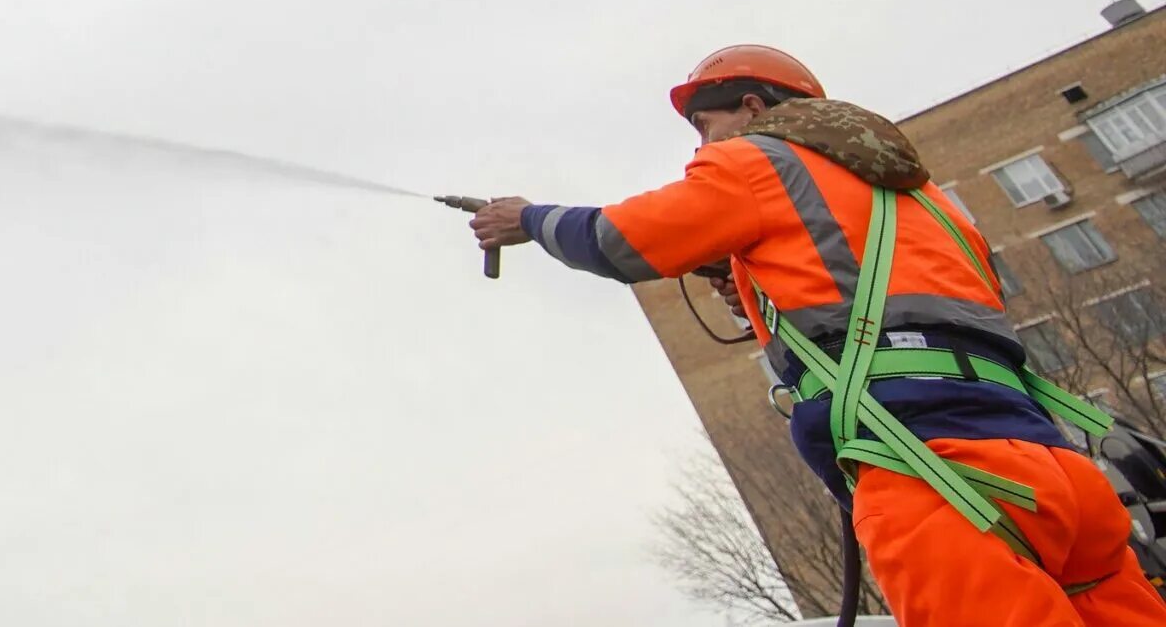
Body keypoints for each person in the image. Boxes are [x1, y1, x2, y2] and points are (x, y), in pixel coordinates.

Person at [468, 45, 1166, 626]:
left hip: (933, 474)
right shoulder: (924, 197)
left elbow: (618, 242)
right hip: (1056, 472)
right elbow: (889, 299)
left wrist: (527, 219)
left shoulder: (755, 159)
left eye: (705, 124)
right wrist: (749, 280)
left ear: (752, 109)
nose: (702, 145)